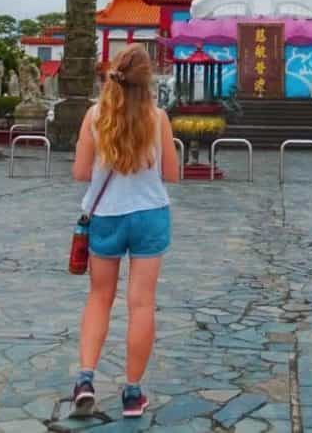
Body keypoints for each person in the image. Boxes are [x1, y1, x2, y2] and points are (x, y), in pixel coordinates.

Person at [70, 45, 180, 419]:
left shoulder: (94, 116)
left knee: (100, 297)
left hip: (106, 215)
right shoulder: (158, 118)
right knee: (142, 303)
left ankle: (85, 380)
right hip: (149, 215)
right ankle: (132, 393)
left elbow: (82, 173)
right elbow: (172, 174)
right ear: (148, 80)